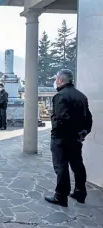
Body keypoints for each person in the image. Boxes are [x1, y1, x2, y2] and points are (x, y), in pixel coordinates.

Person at [44, 69, 93, 207]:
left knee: (61, 167)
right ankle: (80, 192)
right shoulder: (81, 96)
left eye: (56, 79)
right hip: (76, 139)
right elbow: (88, 118)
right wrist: (83, 133)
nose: (55, 81)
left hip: (61, 139)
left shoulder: (60, 96)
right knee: (77, 165)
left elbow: (61, 120)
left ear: (60, 80)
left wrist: (52, 119)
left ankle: (61, 196)